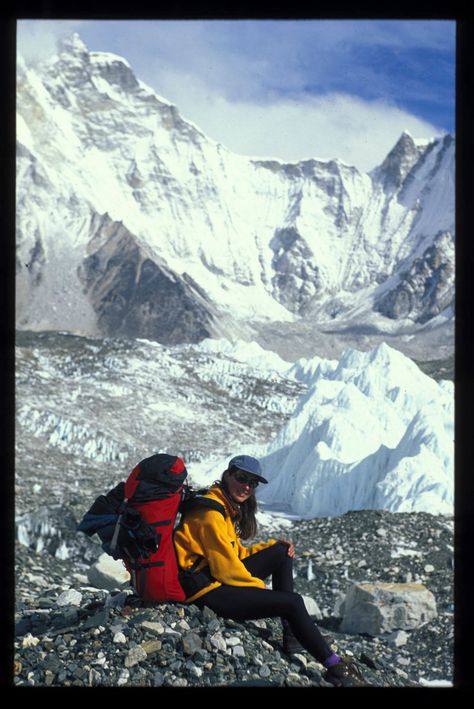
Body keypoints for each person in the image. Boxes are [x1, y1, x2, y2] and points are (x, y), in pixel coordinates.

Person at [174, 454, 367, 687]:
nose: (246, 487)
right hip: (205, 591)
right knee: (292, 602)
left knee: (281, 553)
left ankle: (292, 633)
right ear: (227, 475)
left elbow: (234, 556)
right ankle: (335, 666)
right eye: (242, 478)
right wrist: (266, 594)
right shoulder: (211, 515)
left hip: (213, 578)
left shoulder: (222, 506)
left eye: (252, 483)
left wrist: (273, 547)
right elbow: (227, 570)